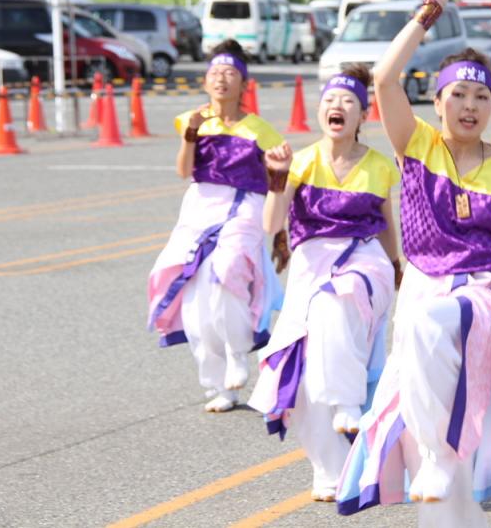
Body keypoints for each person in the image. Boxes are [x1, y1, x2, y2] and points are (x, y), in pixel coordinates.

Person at [335, 0, 491, 526]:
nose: (470, 106)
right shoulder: (418, 145)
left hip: (486, 298)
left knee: (469, 403)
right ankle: (446, 486)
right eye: (458, 94)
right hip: (424, 287)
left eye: (482, 97)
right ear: (436, 101)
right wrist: (428, 11)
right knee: (424, 408)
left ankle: (445, 464)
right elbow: (384, 78)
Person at [248, 65, 400, 503]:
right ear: (320, 111)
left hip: (365, 263)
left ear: (363, 115)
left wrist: (397, 270)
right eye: (330, 100)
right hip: (310, 268)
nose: (338, 107)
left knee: (334, 304)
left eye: (349, 101)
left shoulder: (378, 165)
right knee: (304, 373)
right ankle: (329, 469)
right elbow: (271, 224)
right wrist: (277, 177)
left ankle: (348, 400)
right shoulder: (300, 162)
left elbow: (387, 226)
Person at [147, 40, 284, 413]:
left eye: (230, 73)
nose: (221, 79)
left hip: (245, 203)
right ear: (206, 81)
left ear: (244, 84)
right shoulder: (193, 120)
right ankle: (220, 385)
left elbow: (279, 177)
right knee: (193, 293)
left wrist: (281, 227)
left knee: (227, 269)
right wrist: (191, 134)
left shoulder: (260, 129)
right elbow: (183, 170)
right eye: (215, 73)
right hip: (201, 203)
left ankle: (238, 352)